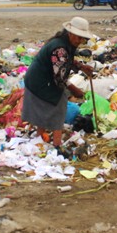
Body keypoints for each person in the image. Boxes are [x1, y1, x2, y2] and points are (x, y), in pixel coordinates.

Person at [21, 17, 94, 147]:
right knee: (59, 106)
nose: (80, 41)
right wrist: (74, 90)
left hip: (40, 78)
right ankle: (56, 145)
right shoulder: (60, 48)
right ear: (70, 33)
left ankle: (39, 138)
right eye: (78, 37)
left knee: (46, 107)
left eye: (83, 38)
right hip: (40, 81)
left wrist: (81, 67)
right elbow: (59, 77)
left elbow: (66, 62)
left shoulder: (66, 44)